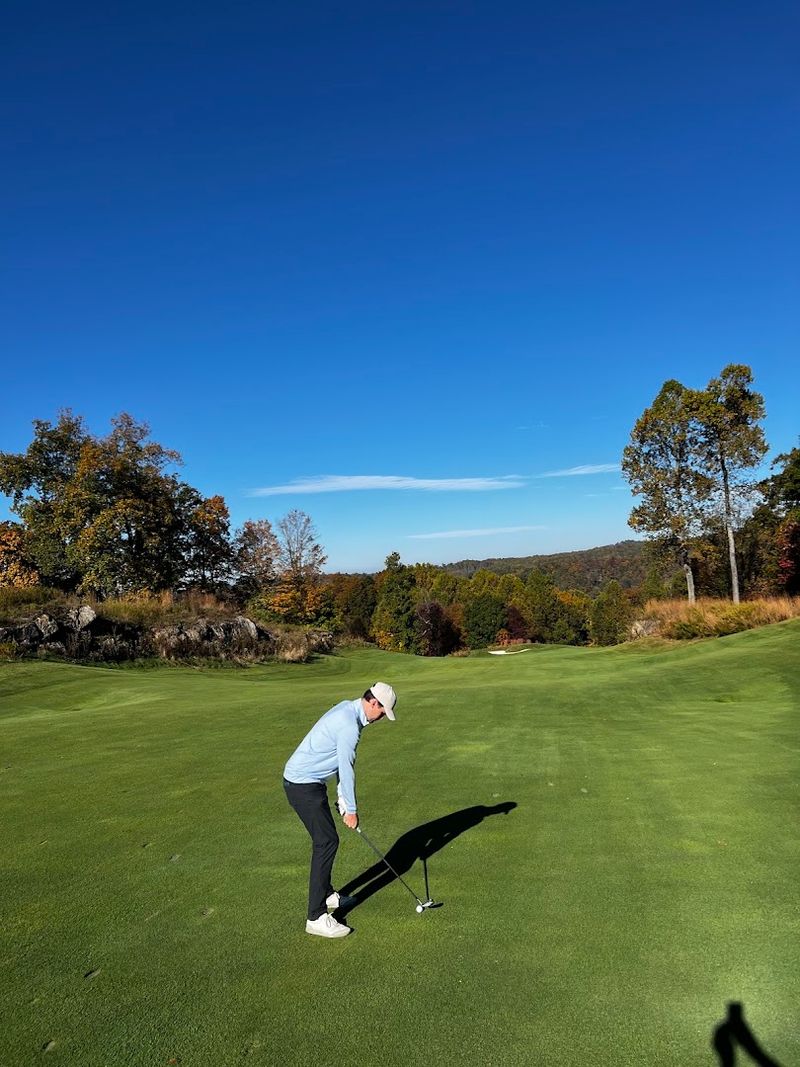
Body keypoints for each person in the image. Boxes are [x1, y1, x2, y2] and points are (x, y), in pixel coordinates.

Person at [283, 682, 397, 938]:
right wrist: (352, 810)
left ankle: (326, 895)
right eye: (382, 712)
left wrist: (341, 798)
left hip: (309, 782)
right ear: (373, 703)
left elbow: (335, 759)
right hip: (302, 784)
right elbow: (347, 768)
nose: (380, 718)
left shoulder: (348, 709)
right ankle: (315, 916)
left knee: (326, 840)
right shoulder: (349, 725)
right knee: (326, 842)